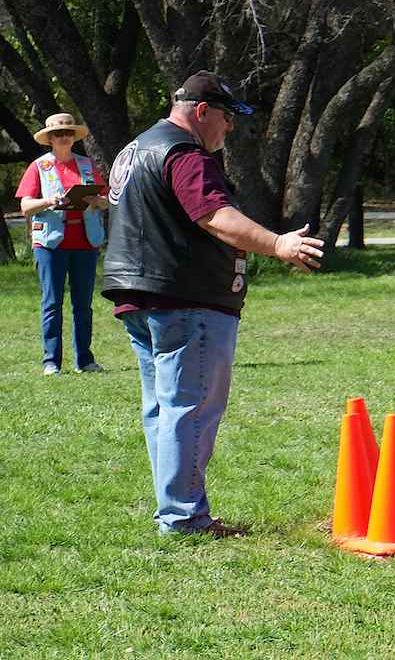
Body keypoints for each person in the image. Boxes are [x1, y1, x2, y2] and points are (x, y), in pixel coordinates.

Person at [101, 71, 325, 537]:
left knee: (164, 409)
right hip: (186, 298)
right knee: (191, 409)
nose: (229, 127)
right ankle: (184, 517)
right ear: (202, 111)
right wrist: (278, 244)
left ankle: (175, 512)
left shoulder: (134, 149)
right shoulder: (184, 152)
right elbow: (214, 215)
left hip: (140, 296)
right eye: (226, 116)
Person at [15, 112, 109, 375]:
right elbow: (25, 207)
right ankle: (51, 362)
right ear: (50, 139)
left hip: (85, 242)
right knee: (52, 303)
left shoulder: (88, 165)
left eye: (68, 133)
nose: (63, 137)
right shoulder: (38, 167)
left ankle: (85, 360)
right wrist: (48, 201)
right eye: (58, 134)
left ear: (74, 137)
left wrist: (97, 201)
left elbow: (106, 200)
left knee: (83, 304)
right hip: (49, 244)